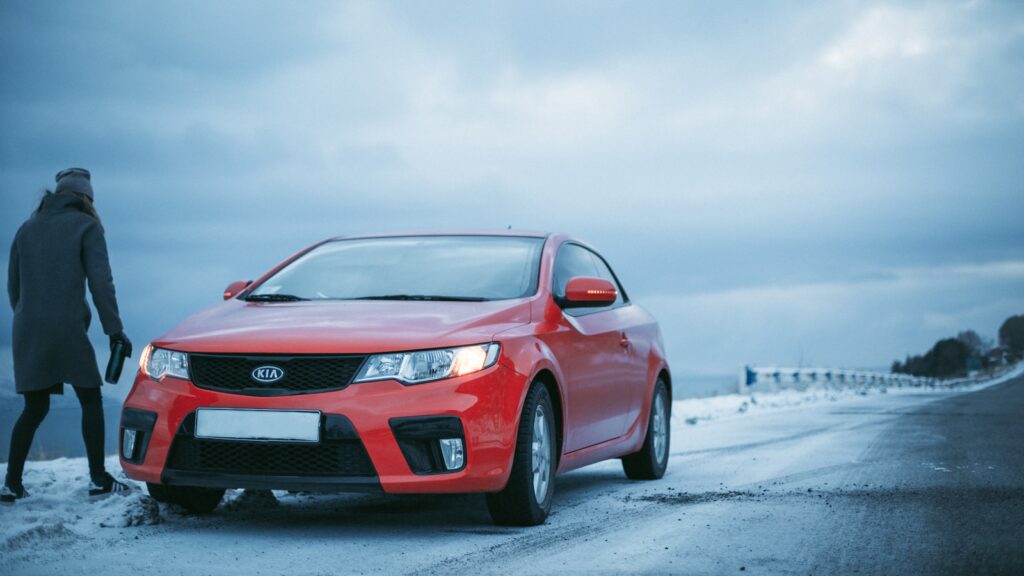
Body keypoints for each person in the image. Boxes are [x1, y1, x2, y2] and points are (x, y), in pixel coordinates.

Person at [2, 167, 132, 502]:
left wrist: (31, 318)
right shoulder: (87, 226)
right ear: (86, 198)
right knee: (90, 399)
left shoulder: (26, 228)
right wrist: (114, 330)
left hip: (27, 327)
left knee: (34, 407)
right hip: (67, 328)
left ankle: (11, 483)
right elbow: (101, 284)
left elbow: (14, 287)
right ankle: (98, 478)